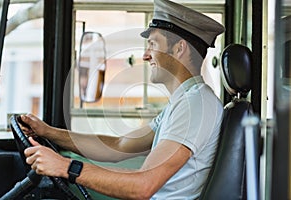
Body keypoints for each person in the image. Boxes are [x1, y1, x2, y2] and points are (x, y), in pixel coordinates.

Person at [22, 0, 225, 199]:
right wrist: (47, 131)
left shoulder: (196, 105)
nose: (145, 55)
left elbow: (143, 186)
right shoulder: (184, 102)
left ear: (179, 49)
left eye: (153, 44)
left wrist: (66, 167)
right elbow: (119, 145)